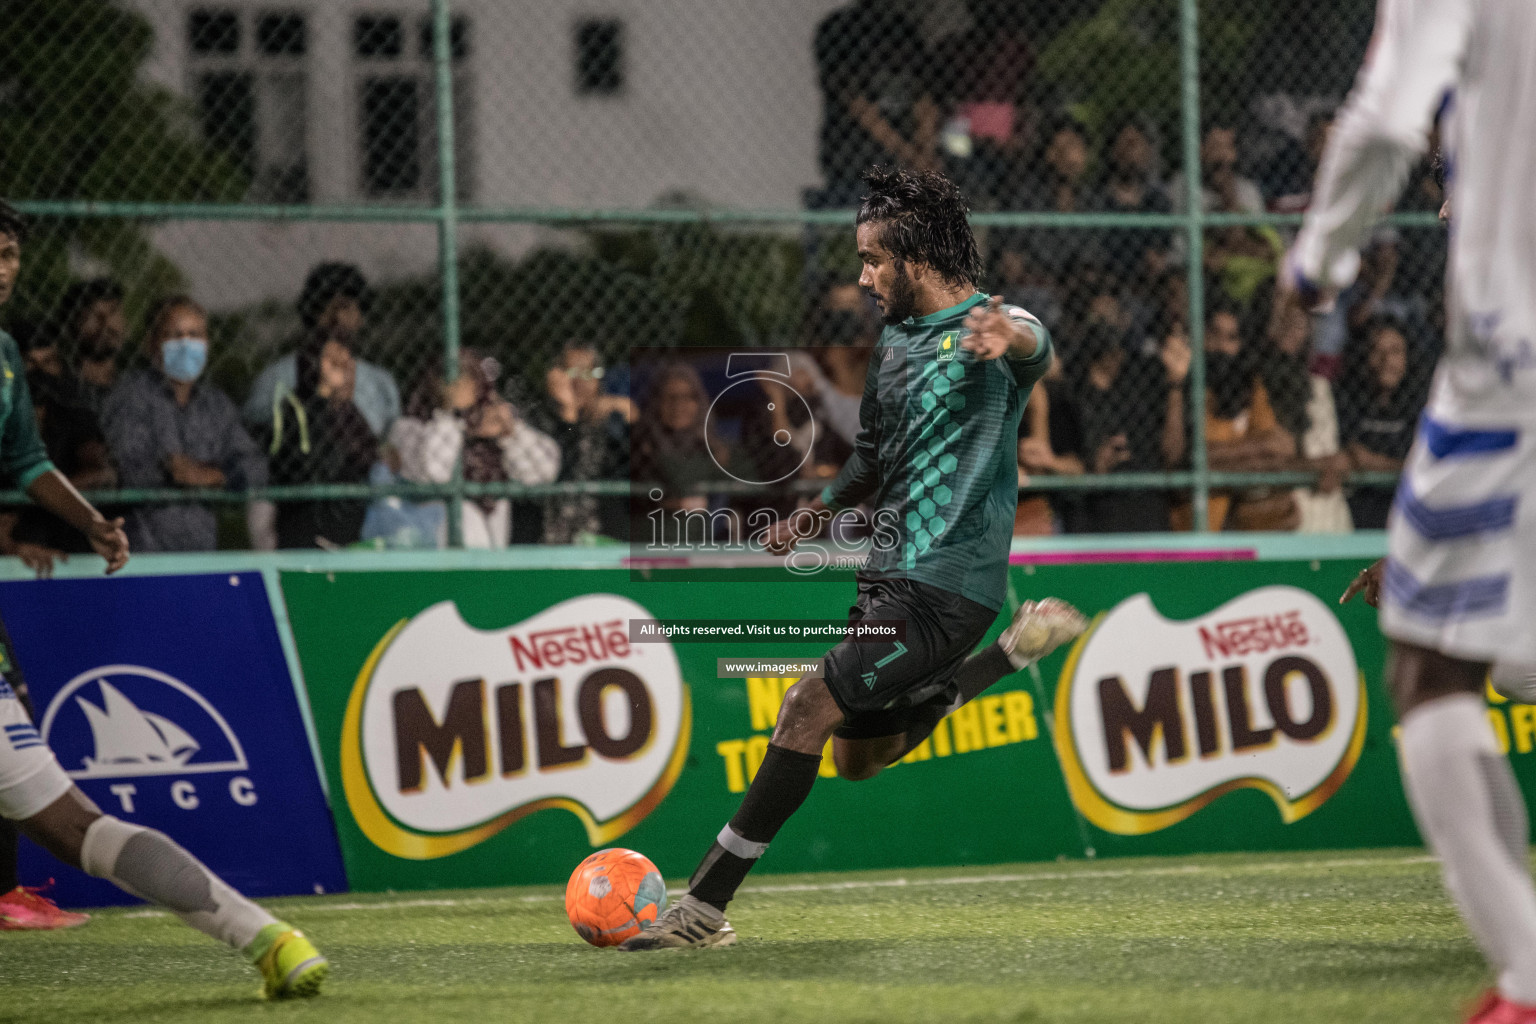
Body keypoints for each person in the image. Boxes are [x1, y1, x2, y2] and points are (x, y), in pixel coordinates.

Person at [619, 168, 1086, 951]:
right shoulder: (895, 344)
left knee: (805, 705)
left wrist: (1012, 337)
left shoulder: (994, 329)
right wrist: (816, 515)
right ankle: (1002, 661)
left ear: (917, 257)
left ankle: (702, 907)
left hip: (949, 584)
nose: (862, 277)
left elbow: (1036, 340)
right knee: (858, 759)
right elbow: (871, 456)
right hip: (888, 578)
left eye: (873, 259)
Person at [0, 199, 325, 995]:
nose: (2, 267)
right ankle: (265, 938)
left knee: (75, 824)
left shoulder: (5, 356)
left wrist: (91, 523)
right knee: (74, 826)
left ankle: (270, 937)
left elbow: (27, 459)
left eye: (9, 253)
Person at [1286, 0, 1536, 1017]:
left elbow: (1388, 122)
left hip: (1511, 366)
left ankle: (1525, 981)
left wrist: (1320, 256)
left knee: (1431, 668)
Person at [101, 296, 267, 552]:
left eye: (195, 334)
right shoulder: (131, 395)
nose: (186, 344)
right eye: (174, 335)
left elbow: (255, 466)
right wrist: (171, 472)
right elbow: (127, 468)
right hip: (142, 550)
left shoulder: (216, 405)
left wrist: (212, 475)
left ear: (207, 343)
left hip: (201, 550)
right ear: (151, 343)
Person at [389, 350, 560, 548]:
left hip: (491, 556)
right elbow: (434, 473)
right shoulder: (407, 428)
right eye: (451, 376)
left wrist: (510, 433)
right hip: (432, 554)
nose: (459, 384)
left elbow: (543, 473)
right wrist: (450, 414)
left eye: (468, 376)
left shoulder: (494, 428)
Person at [1173, 303, 1299, 531]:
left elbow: (1280, 447)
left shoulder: (1250, 385)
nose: (1221, 346)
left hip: (1245, 521)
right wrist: (1255, 454)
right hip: (1195, 522)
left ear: (1240, 345)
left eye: (1230, 338)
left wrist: (1218, 457)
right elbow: (1186, 460)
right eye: (1214, 334)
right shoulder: (1180, 385)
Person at [812, 0, 937, 205]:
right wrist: (912, 155)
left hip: (907, 147)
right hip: (855, 153)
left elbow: (924, 98)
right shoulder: (839, 29)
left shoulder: (903, 28)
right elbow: (858, 106)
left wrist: (926, 152)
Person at [264, 326, 379, 549]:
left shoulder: (350, 414)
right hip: (305, 529)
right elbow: (307, 469)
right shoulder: (293, 409)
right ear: (312, 364)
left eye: (345, 362)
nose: (341, 368)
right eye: (331, 360)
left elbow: (368, 458)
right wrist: (323, 394)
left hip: (347, 530)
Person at [536, 340, 634, 544]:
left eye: (589, 373)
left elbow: (628, 469)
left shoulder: (608, 425)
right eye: (572, 373)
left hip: (603, 535)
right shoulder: (540, 419)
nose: (580, 382)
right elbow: (562, 469)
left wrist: (632, 422)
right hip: (551, 537)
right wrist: (568, 416)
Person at [1337, 317, 1429, 529]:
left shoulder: (1420, 405)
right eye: (1377, 351)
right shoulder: (1346, 401)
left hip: (1406, 513)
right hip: (1356, 513)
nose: (1387, 361)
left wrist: (1371, 462)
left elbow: (1422, 465)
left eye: (1395, 351)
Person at [55, 278, 127, 413]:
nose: (107, 323)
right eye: (93, 315)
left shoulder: (134, 390)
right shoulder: (59, 389)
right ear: (71, 326)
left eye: (113, 312)